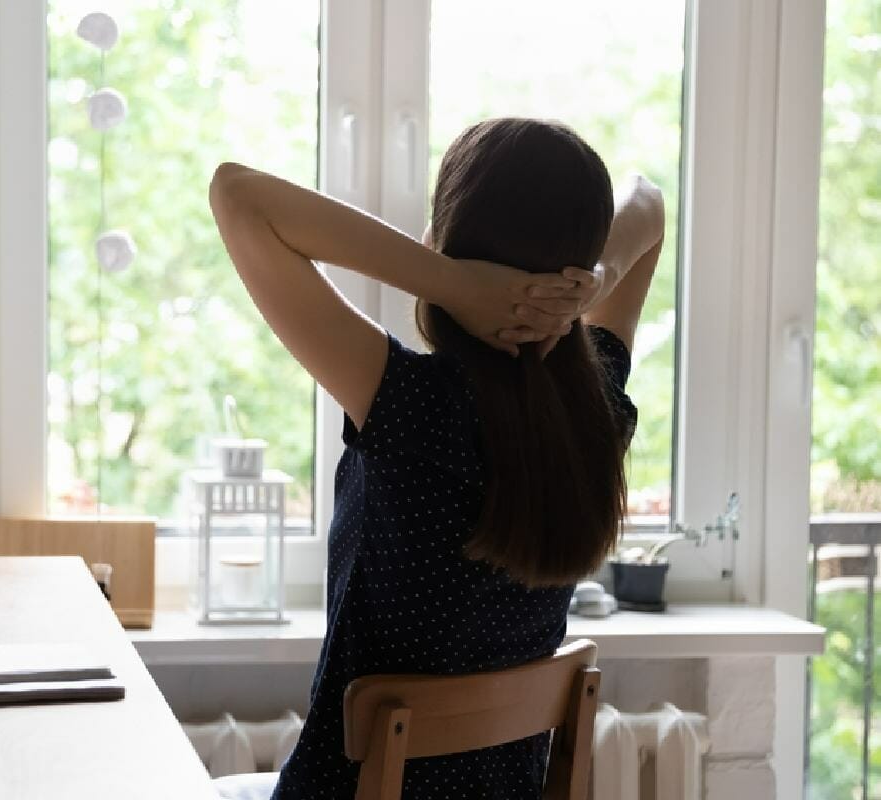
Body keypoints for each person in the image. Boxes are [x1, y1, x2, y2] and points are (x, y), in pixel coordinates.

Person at [208, 117, 665, 799]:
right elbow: (648, 203)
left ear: (441, 240)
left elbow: (236, 195)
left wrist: (449, 281)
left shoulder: (412, 406)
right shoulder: (591, 413)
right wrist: (593, 281)